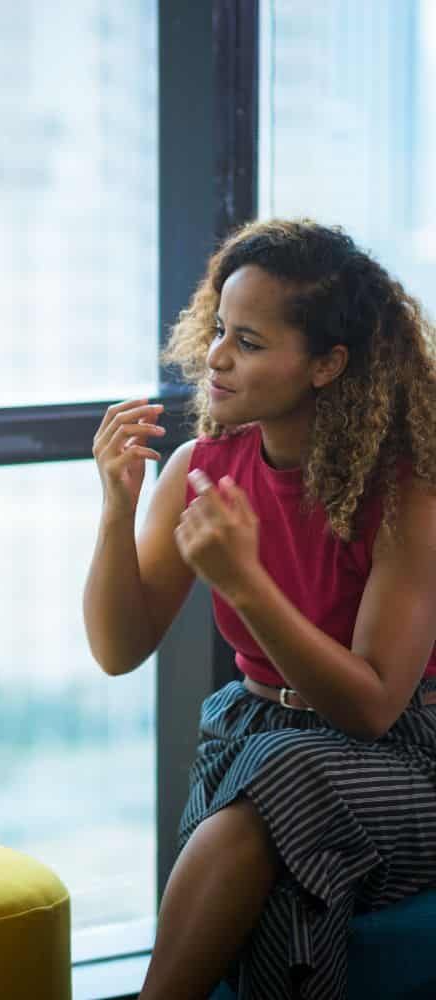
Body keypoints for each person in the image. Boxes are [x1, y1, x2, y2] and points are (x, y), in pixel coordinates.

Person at [83, 218, 436, 1000]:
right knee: (272, 790)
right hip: (259, 739)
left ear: (327, 364)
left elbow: (374, 707)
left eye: (247, 341)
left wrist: (245, 584)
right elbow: (118, 648)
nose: (214, 357)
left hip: (413, 755)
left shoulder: (406, 492)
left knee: (277, 782)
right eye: (218, 330)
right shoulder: (200, 467)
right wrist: (115, 509)